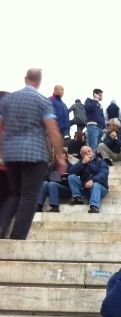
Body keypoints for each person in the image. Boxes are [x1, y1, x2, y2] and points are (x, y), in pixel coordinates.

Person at [0, 68, 66, 240]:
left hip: (11, 153)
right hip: (35, 154)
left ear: (25, 79)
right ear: (39, 81)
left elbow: (1, 128)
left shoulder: (7, 100)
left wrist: (3, 149)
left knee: (15, 194)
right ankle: (18, 237)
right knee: (29, 196)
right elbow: (53, 130)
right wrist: (60, 156)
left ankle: (1, 226)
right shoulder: (42, 101)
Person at [68, 146, 109, 213]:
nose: (87, 153)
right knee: (71, 177)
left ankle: (94, 207)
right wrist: (82, 162)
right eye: (85, 153)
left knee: (95, 185)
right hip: (85, 189)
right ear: (82, 155)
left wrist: (93, 180)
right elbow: (71, 172)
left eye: (89, 151)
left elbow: (104, 174)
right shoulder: (81, 163)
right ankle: (77, 198)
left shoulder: (100, 161)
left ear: (92, 152)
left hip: (100, 189)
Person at [84, 89, 106, 154]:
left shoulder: (100, 105)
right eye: (100, 95)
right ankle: (91, 162)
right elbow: (91, 108)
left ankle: (94, 161)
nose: (101, 97)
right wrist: (95, 100)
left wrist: (104, 127)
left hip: (100, 128)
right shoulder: (88, 101)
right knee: (92, 147)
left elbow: (102, 117)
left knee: (96, 147)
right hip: (93, 126)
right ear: (95, 94)